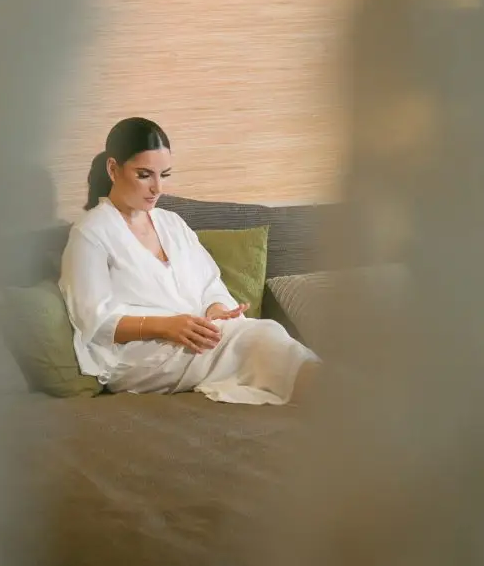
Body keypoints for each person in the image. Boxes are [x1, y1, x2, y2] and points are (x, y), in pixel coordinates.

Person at [59, 117, 319, 404]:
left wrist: (217, 309)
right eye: (144, 175)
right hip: (136, 354)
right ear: (113, 169)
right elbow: (93, 320)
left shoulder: (173, 224)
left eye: (164, 175)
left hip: (194, 335)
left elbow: (210, 283)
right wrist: (165, 326)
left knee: (262, 333)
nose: (157, 188)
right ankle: (340, 399)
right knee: (260, 337)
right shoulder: (90, 233)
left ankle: (334, 396)